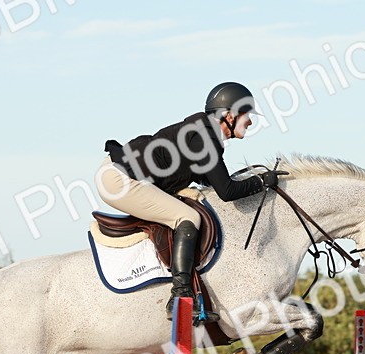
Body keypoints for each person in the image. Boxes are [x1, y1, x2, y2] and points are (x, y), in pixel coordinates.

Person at [96, 81, 284, 320]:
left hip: (121, 173)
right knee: (188, 216)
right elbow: (226, 192)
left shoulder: (202, 132)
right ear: (229, 115)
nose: (250, 121)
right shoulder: (205, 138)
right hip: (119, 180)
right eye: (246, 115)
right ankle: (180, 295)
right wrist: (262, 182)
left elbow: (209, 179)